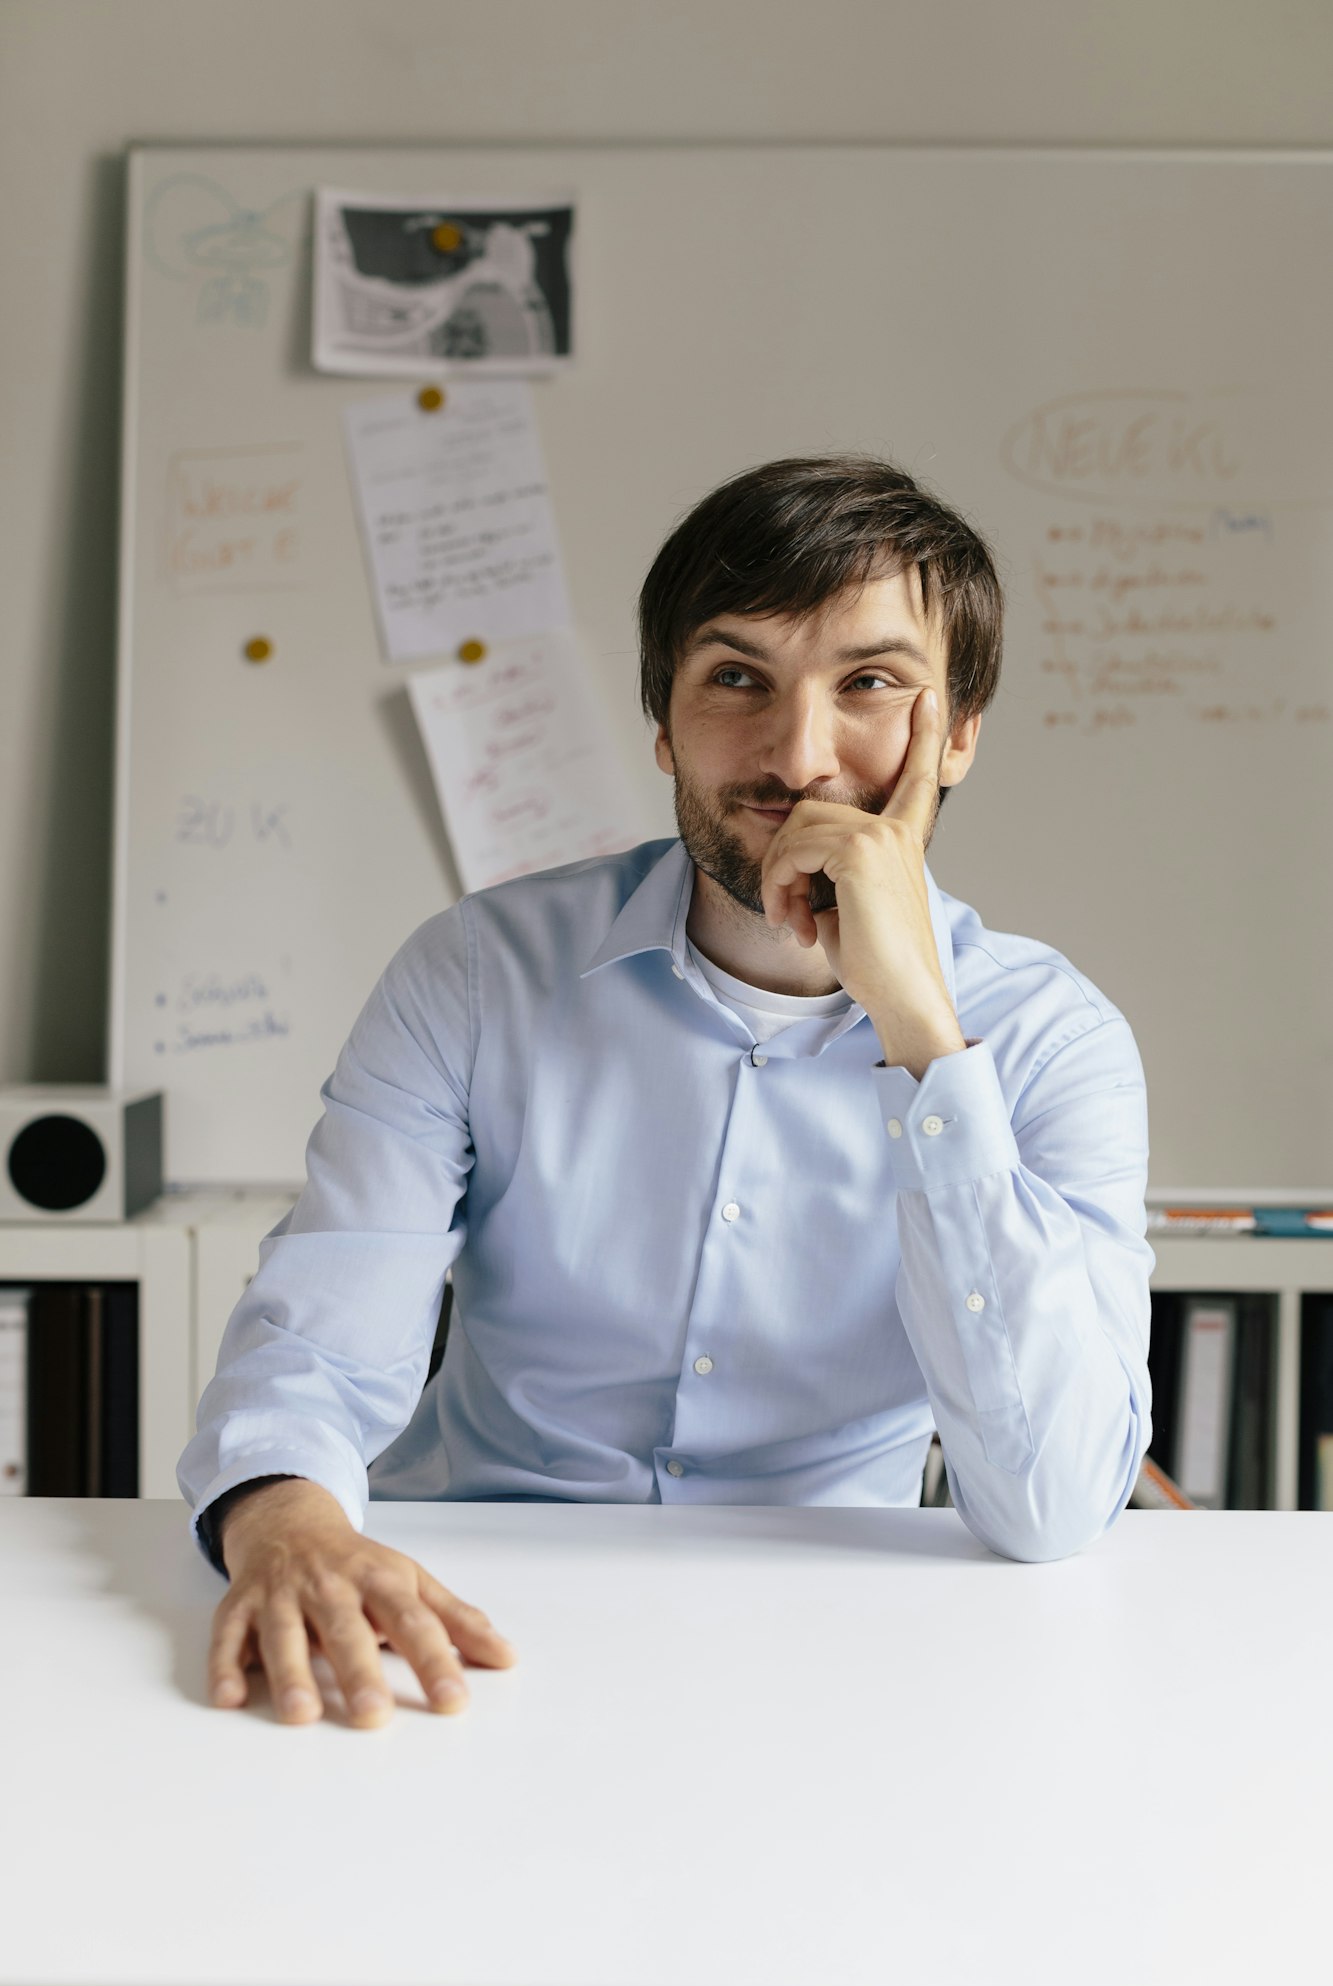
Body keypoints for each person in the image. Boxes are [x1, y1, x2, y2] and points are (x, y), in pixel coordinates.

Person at [178, 454, 1155, 1729]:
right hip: (471, 1623)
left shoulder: (1051, 1041)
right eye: (736, 677)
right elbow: (323, 1331)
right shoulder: (477, 973)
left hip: (836, 1648)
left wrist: (921, 1032)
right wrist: (287, 1519)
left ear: (955, 733)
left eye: (869, 683)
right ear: (662, 718)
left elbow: (1050, 1507)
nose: (799, 754)